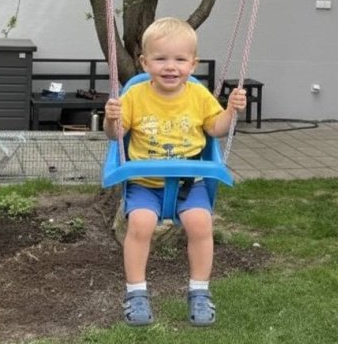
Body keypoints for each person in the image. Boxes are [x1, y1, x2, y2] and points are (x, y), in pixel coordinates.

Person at [103, 17, 247, 328]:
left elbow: (215, 129)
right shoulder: (134, 96)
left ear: (193, 64)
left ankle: (200, 291)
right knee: (140, 224)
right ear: (145, 63)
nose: (171, 67)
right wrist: (111, 118)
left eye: (180, 60)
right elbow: (116, 135)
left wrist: (231, 111)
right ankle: (136, 293)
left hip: (189, 183)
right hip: (144, 183)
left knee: (201, 223)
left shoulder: (198, 95)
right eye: (160, 59)